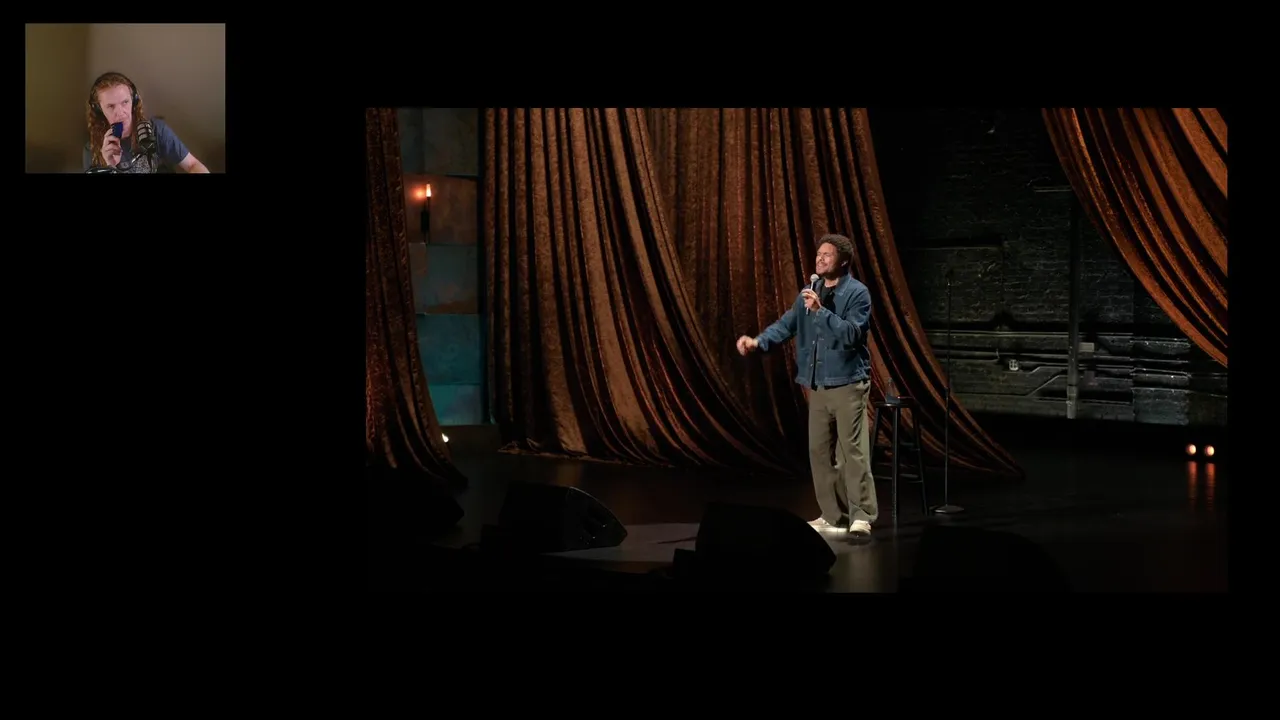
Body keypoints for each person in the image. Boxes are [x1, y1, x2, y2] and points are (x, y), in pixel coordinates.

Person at [736, 234, 877, 536]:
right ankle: (833, 515)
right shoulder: (811, 291)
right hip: (818, 383)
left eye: (827, 255)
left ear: (843, 261)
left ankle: (861, 515)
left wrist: (820, 312)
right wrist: (758, 342)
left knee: (851, 452)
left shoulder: (857, 293)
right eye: (818, 254)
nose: (820, 259)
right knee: (819, 451)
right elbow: (787, 325)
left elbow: (852, 335)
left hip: (848, 382)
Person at [83, 71, 210, 174]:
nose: (120, 113)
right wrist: (110, 167)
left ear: (134, 101)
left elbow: (193, 165)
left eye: (125, 102)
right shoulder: (92, 150)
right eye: (111, 106)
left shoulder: (156, 129)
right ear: (99, 110)